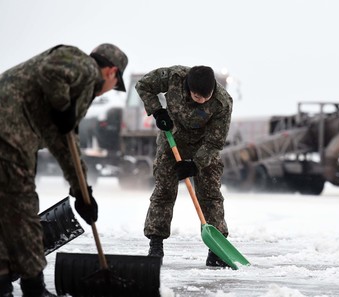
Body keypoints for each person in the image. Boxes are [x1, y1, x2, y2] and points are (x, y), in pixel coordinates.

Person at [0, 43, 128, 297]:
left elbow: (66, 144)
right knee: (22, 211)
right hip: (9, 134)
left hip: (11, 135)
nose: (107, 92)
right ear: (111, 72)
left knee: (4, 210)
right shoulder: (86, 67)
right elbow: (52, 68)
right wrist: (62, 106)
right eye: (115, 85)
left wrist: (82, 193)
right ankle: (34, 287)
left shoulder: (76, 91)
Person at [135, 65, 233, 267]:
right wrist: (157, 111)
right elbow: (143, 85)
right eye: (198, 97)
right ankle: (156, 245)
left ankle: (216, 249)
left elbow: (215, 143)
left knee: (211, 194)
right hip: (172, 139)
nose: (203, 101)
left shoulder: (222, 102)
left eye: (207, 97)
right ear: (188, 88)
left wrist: (195, 164)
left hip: (204, 146)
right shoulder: (174, 77)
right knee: (164, 191)